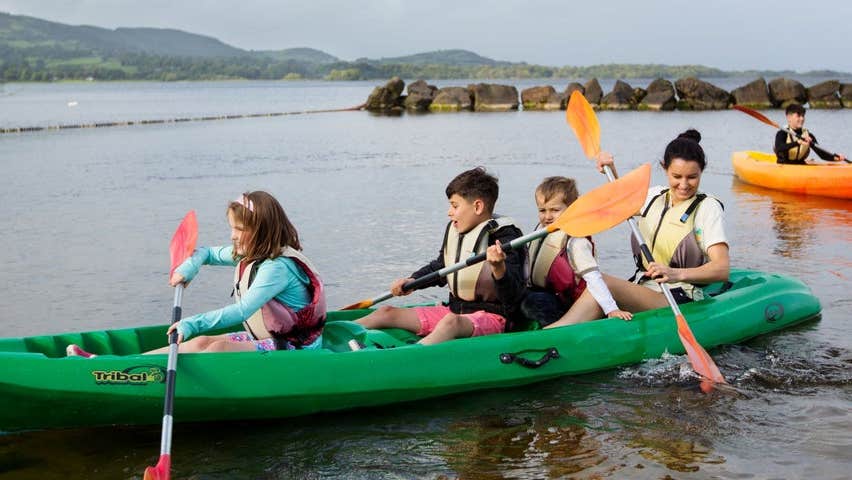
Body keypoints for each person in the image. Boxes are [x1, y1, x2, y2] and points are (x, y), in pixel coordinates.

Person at [67, 191, 326, 357]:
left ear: (261, 231)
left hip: (297, 348)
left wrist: (191, 323)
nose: (232, 236)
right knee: (202, 343)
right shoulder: (253, 255)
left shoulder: (276, 268)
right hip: (270, 338)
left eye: (238, 230)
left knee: (219, 348)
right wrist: (188, 269)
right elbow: (206, 253)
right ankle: (119, 364)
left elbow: (241, 312)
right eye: (231, 228)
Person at [546, 129, 729, 327]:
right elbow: (619, 202)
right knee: (595, 286)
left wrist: (676, 274)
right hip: (644, 287)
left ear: (702, 172)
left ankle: (549, 335)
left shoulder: (707, 208)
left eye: (692, 177)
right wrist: (610, 168)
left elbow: (721, 269)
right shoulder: (654, 196)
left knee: (603, 282)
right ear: (664, 169)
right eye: (677, 176)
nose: (683, 185)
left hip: (680, 295)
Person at [354, 167, 526, 345]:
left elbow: (513, 295)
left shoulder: (505, 236)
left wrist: (499, 268)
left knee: (451, 323)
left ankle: (408, 358)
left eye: (454, 205)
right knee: (386, 312)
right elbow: (441, 267)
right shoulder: (458, 230)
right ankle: (332, 335)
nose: (449, 212)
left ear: (477, 206)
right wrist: (413, 280)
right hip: (454, 311)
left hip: (494, 318)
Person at [500, 176, 631, 327]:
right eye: (542, 210)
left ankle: (551, 334)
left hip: (570, 305)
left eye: (555, 210)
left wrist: (611, 309)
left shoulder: (576, 241)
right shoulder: (541, 231)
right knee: (519, 297)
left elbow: (594, 278)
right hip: (542, 295)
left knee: (533, 301)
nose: (548, 217)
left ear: (572, 208)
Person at [774, 103, 847, 164]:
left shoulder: (808, 135)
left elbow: (821, 154)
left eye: (803, 116)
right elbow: (779, 148)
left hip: (801, 166)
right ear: (789, 117)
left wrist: (836, 158)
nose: (802, 118)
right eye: (798, 116)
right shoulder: (782, 133)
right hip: (784, 166)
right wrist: (798, 142)